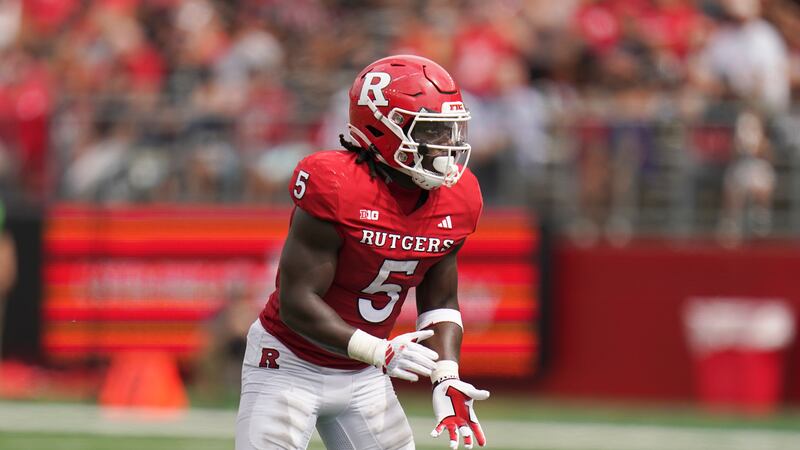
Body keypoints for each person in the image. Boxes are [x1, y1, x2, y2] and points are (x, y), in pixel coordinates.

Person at [235, 55, 489, 450]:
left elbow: (440, 297)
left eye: (451, 131)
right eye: (433, 131)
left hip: (365, 375)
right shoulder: (336, 184)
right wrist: (381, 352)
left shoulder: (459, 196)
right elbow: (296, 301)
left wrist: (447, 375)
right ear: (380, 128)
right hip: (289, 363)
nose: (447, 146)